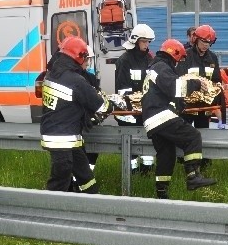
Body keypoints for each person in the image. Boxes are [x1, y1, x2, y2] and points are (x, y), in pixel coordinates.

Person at [142, 39, 218, 199]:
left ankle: (161, 192)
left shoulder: (155, 68)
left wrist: (180, 103)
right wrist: (195, 84)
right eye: (178, 60)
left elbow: (168, 93)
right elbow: (176, 88)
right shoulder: (162, 68)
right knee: (193, 137)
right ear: (174, 55)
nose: (178, 64)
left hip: (151, 120)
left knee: (167, 154)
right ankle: (193, 176)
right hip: (160, 116)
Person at [40, 36, 113, 193]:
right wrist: (109, 102)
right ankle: (47, 212)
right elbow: (102, 107)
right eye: (86, 58)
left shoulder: (51, 76)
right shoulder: (75, 80)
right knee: (59, 183)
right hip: (62, 140)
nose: (87, 63)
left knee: (86, 178)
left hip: (64, 138)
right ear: (79, 57)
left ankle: (91, 203)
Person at [114, 23, 156, 174]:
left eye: (148, 42)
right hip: (128, 112)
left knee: (146, 141)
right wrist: (135, 105)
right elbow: (122, 90)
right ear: (135, 41)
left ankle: (147, 170)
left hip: (145, 110)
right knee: (130, 146)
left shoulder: (150, 59)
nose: (146, 45)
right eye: (144, 41)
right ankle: (131, 173)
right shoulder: (124, 61)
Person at [177, 24, 226, 129]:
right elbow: (179, 79)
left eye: (209, 42)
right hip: (187, 106)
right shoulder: (185, 55)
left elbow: (217, 80)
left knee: (204, 135)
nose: (206, 45)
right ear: (196, 39)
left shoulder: (212, 58)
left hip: (205, 106)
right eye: (203, 41)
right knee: (184, 134)